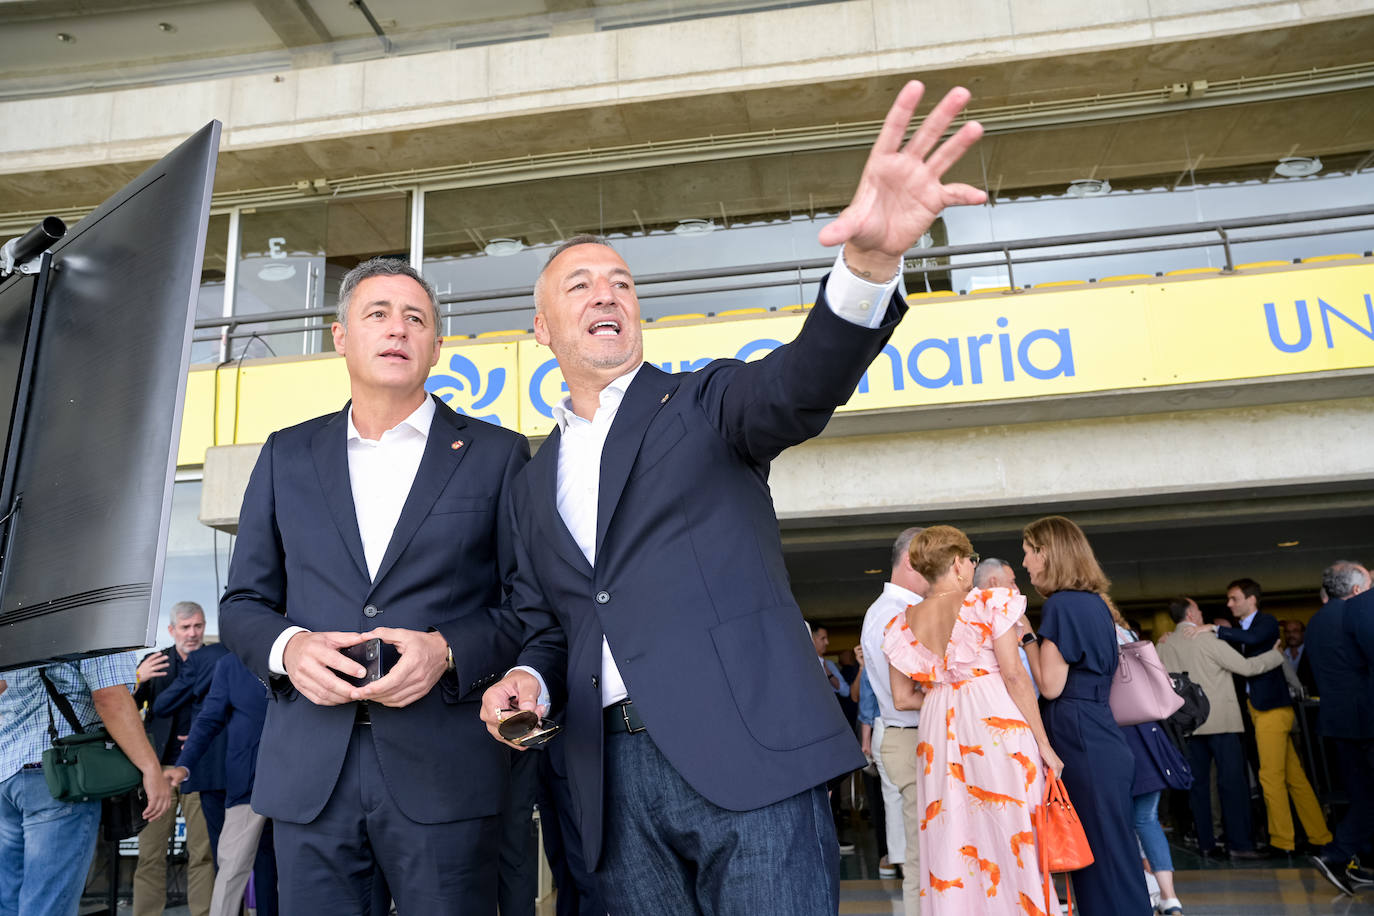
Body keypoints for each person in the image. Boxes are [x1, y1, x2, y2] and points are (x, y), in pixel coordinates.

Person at [479, 81, 988, 914]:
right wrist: (529, 679)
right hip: (605, 789)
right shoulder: (530, 480)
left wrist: (866, 266)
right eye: (580, 287)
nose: (607, 294)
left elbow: (800, 383)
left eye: (621, 284)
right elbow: (547, 623)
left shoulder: (706, 405)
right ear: (541, 329)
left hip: (748, 759)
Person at [218, 257, 565, 914]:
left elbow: (529, 608)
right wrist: (289, 648)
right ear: (340, 335)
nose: (397, 329)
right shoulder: (285, 454)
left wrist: (447, 649)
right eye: (377, 313)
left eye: (416, 318)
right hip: (310, 777)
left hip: (447, 775)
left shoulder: (496, 454)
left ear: (437, 344)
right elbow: (242, 605)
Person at [882, 525, 1061, 913]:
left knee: (951, 834)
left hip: (937, 733)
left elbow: (901, 697)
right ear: (960, 563)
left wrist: (946, 693)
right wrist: (1044, 743)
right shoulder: (987, 603)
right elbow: (1014, 675)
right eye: (970, 559)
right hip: (994, 722)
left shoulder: (900, 624)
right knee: (1011, 825)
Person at [1019, 515, 1151, 915]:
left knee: (1098, 859)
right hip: (1100, 732)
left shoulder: (1061, 606)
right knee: (1115, 853)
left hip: (1080, 737)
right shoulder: (1095, 604)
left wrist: (1025, 636)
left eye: (1028, 553)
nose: (1025, 564)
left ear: (1047, 554)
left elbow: (1050, 686)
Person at [0, 652, 171, 916]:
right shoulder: (93, 616)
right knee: (48, 905)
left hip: (7, 772)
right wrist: (150, 767)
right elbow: (110, 697)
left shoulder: (15, 621)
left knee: (9, 900)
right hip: (62, 776)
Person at [1191, 578, 1332, 856]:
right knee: (1294, 777)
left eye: (1234, 599)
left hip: (1271, 710)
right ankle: (1320, 836)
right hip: (1257, 710)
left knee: (1269, 776)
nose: (1230, 604)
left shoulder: (1265, 623)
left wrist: (1214, 628)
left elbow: (1252, 640)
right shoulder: (1240, 629)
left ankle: (1283, 842)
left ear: (1251, 600)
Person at [168, 652, 276, 916]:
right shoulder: (231, 664)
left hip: (302, 786)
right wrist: (184, 764)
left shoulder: (307, 653)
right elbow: (208, 720)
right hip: (246, 786)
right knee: (231, 870)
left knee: (294, 873)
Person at [133, 602, 219, 916]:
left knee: (204, 853)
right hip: (156, 769)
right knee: (150, 854)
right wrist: (138, 679)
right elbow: (124, 712)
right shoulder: (154, 663)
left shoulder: (217, 661)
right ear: (172, 630)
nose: (193, 633)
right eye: (185, 627)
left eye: (198, 626)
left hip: (199, 767)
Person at [860, 526, 925, 915]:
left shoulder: (894, 610)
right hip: (908, 732)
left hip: (908, 732)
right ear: (912, 561)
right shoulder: (893, 614)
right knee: (922, 856)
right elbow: (904, 693)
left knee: (925, 850)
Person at [1113, 617, 1192, 916]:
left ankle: (1145, 891)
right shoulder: (1130, 636)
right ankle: (1169, 896)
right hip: (1148, 733)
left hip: (1117, 735)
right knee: (1146, 818)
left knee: (1119, 821)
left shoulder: (1090, 637)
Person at [1305, 560, 1374, 894]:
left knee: (1361, 794)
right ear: (1357, 590)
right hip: (1366, 720)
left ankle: (1359, 861)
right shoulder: (1356, 614)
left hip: (1336, 721)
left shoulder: (1318, 620)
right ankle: (1337, 855)